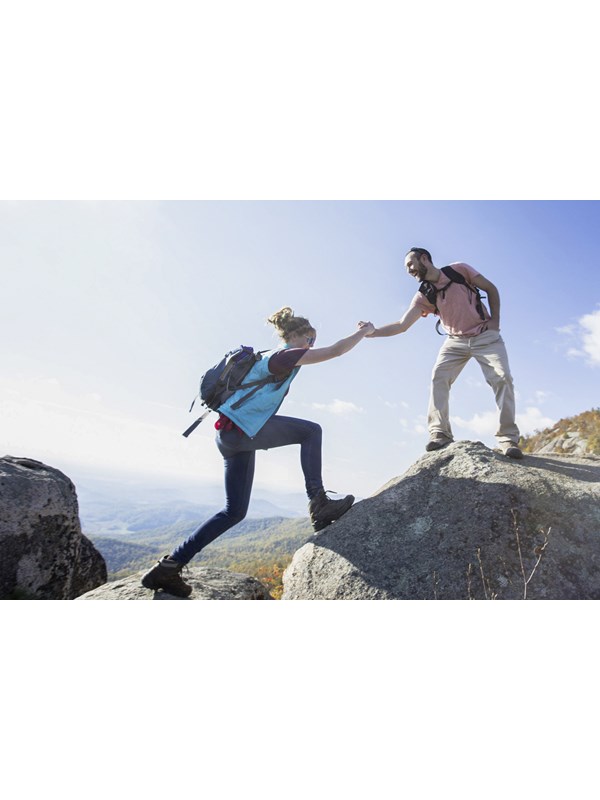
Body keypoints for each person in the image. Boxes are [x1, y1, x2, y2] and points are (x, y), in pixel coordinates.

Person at [141, 306, 375, 597]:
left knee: (234, 512)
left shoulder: (270, 357)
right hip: (240, 430)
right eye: (310, 339)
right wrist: (363, 332)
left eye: (313, 341)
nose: (311, 345)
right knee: (311, 431)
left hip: (230, 434)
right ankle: (319, 504)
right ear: (295, 336)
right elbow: (336, 351)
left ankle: (169, 566)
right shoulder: (283, 356)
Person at [368, 247, 522, 458]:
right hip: (455, 341)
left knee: (502, 378)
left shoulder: (459, 270)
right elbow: (402, 325)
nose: (409, 270)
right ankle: (439, 433)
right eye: (406, 268)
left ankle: (508, 439)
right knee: (438, 377)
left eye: (410, 264)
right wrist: (373, 332)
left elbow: (491, 288)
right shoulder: (424, 295)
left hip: (485, 336)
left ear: (424, 259)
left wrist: (495, 320)